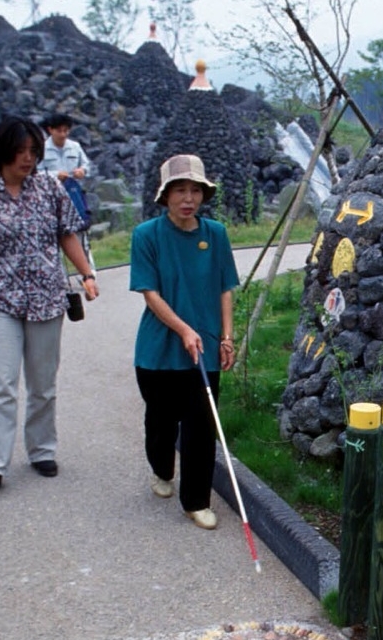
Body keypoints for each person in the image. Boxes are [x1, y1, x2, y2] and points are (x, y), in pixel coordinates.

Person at [0, 115, 99, 498]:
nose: (28, 159)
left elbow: (67, 234)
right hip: (0, 301)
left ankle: (41, 450)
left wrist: (86, 273)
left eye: (33, 151)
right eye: (20, 151)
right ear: (2, 152)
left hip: (47, 299)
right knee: (0, 384)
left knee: (43, 383)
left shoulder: (50, 189)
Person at [129, 154, 239, 530]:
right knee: (161, 423)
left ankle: (196, 501)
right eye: (180, 190)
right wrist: (183, 329)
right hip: (157, 351)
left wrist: (226, 336)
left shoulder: (216, 234)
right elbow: (150, 292)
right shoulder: (147, 235)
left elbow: (226, 288)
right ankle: (162, 469)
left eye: (195, 190)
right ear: (165, 196)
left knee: (201, 427)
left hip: (204, 349)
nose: (188, 198)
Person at [38, 113, 96, 274]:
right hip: (51, 197)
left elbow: (87, 165)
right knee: (55, 236)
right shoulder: (41, 149)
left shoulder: (75, 147)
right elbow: (35, 173)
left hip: (74, 195)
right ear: (51, 130)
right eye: (59, 131)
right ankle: (60, 276)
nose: (63, 134)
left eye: (66, 131)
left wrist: (82, 171)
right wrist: (54, 175)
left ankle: (88, 272)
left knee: (80, 233)